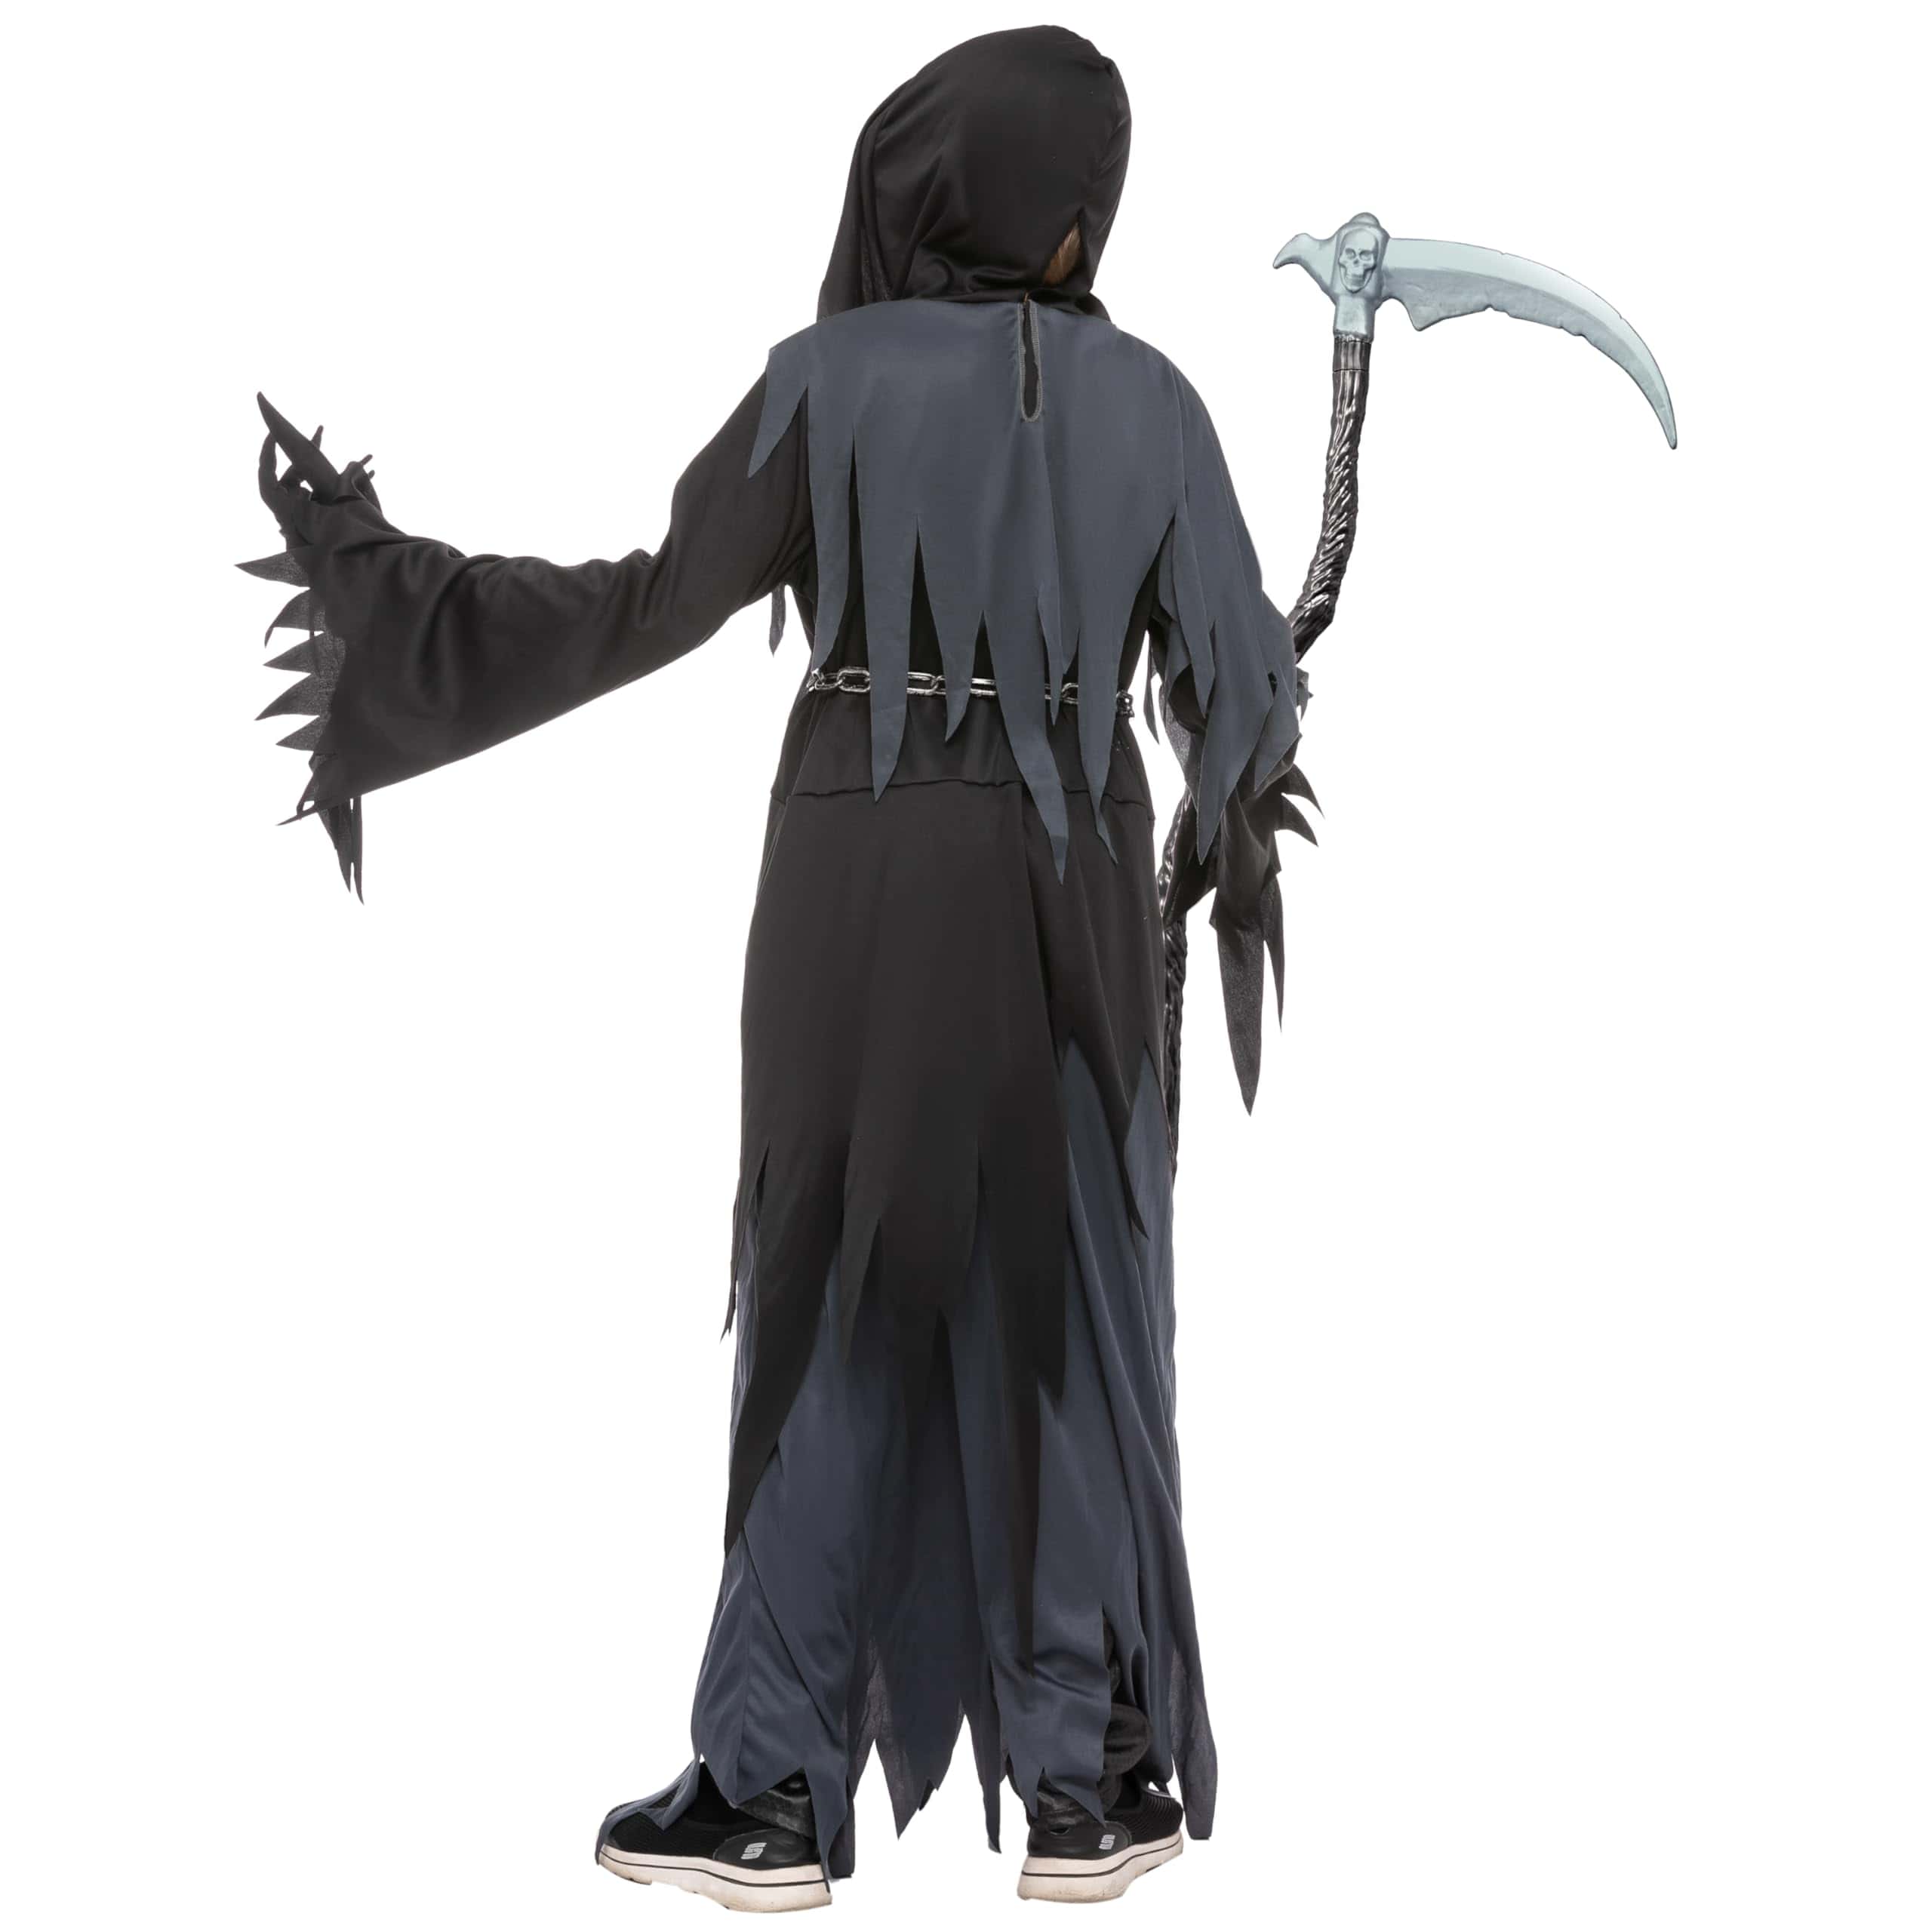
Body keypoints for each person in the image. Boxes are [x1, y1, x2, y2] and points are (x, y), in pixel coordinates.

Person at [248, 24, 1308, 1910]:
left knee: (833, 1289)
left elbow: (651, 604)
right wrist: (1228, 769)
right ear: (1069, 212)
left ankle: (768, 1792)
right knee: (1063, 1299)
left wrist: (400, 608)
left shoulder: (825, 381)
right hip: (1067, 871)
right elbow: (1244, 716)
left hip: (858, 868)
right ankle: (1082, 1782)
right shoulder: (1158, 405)